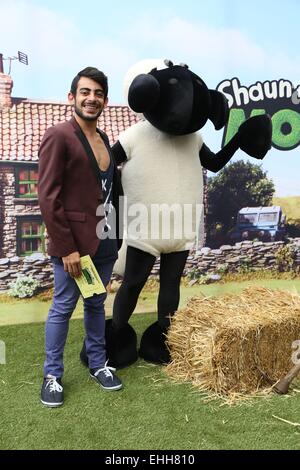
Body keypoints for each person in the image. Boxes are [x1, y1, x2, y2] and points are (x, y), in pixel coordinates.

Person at [38, 67, 123, 407]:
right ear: (72, 97)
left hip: (103, 241)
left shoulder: (104, 139)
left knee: (95, 303)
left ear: (105, 100)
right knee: (62, 307)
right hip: (74, 246)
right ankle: (52, 376)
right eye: (85, 92)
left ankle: (98, 364)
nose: (92, 98)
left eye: (98, 93)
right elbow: (48, 197)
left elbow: (109, 191)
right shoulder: (59, 135)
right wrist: (67, 249)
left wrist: (115, 237)